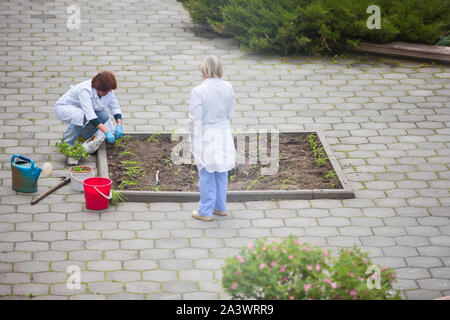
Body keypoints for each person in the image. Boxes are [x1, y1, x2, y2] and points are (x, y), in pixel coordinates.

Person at [189, 56, 236, 222]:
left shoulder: (198, 91)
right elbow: (231, 113)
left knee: (206, 172)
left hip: (206, 135)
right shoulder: (228, 87)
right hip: (223, 133)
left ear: (203, 70)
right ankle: (220, 206)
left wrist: (193, 141)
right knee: (221, 171)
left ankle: (205, 210)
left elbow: (195, 119)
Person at [54, 71, 123, 146]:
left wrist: (119, 124)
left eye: (110, 90)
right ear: (99, 88)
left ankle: (80, 138)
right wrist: (106, 131)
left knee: (103, 115)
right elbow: (90, 115)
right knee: (79, 116)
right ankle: (67, 143)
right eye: (107, 91)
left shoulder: (108, 90)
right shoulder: (85, 90)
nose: (109, 92)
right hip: (66, 108)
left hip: (83, 110)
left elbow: (115, 106)